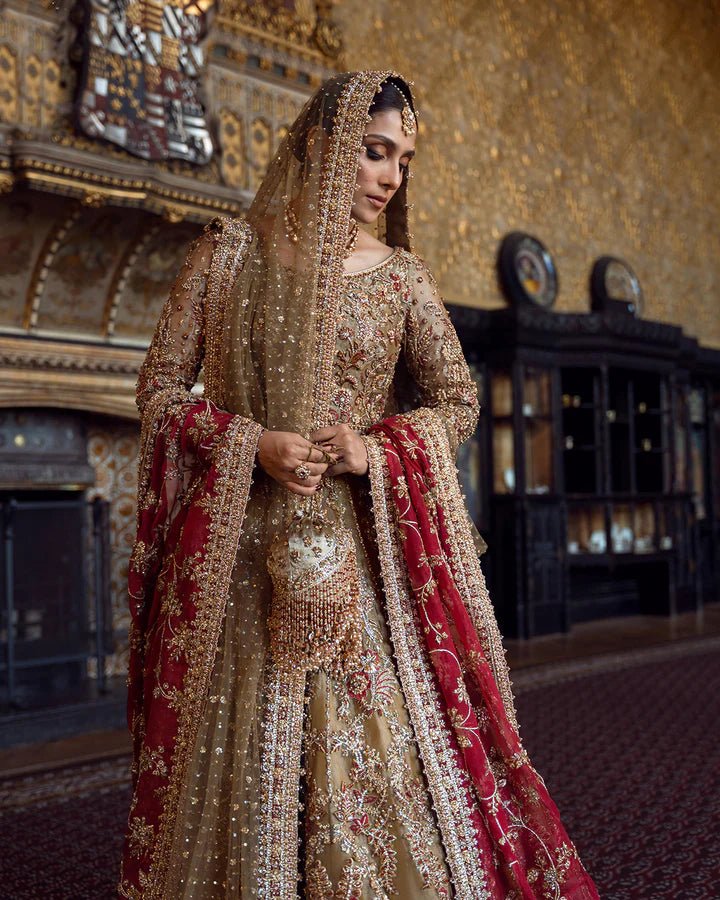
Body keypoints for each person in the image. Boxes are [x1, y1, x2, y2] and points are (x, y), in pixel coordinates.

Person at [119, 71, 599, 900]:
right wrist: (251, 442)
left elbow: (457, 401)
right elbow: (159, 391)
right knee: (235, 747)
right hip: (238, 555)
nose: (389, 177)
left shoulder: (402, 278)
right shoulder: (226, 255)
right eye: (376, 153)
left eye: (403, 161)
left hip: (359, 553)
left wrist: (374, 452)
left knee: (368, 740)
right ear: (322, 146)